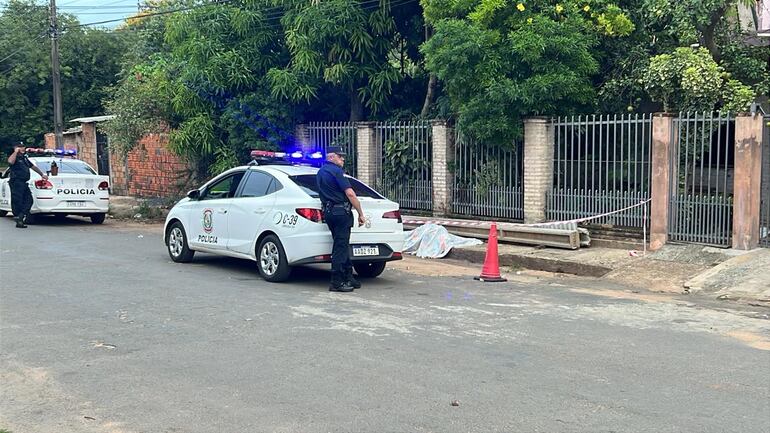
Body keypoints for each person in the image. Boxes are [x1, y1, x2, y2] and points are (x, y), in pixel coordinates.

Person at [316, 146, 366, 292]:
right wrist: (361, 213)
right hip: (340, 213)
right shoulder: (336, 171)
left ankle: (348, 276)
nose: (343, 159)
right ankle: (336, 281)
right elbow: (350, 194)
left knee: (341, 245)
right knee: (340, 247)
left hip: (330, 212)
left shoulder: (320, 172)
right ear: (331, 157)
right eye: (340, 156)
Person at [7, 144, 47, 228]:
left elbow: (32, 166)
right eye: (21, 147)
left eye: (23, 147)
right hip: (16, 182)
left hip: (24, 182)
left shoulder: (24, 158)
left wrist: (42, 174)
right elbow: (10, 162)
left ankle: (20, 217)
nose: (23, 149)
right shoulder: (14, 157)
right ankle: (19, 218)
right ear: (16, 148)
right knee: (18, 201)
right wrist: (15, 152)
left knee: (29, 200)